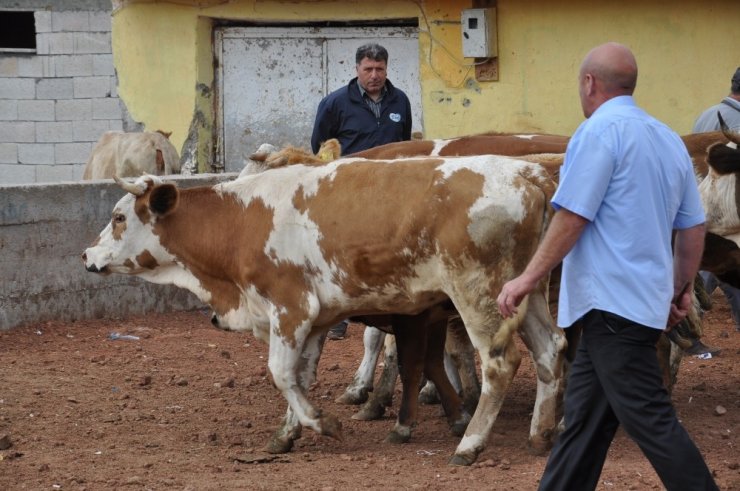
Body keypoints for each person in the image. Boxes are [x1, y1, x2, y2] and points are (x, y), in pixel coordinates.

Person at [497, 42, 717, 490]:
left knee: (652, 421)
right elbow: (693, 225)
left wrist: (527, 277)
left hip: (610, 304)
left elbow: (573, 216)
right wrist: (680, 288)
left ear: (589, 83)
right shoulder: (666, 139)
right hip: (637, 305)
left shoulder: (598, 133)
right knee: (583, 425)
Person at [311, 43, 412, 340]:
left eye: (380, 69)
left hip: (391, 193)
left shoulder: (400, 102)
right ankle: (339, 315)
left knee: (388, 251)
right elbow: (320, 148)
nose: (374, 75)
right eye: (368, 69)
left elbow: (404, 144)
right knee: (345, 252)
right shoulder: (335, 103)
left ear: (387, 69)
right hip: (350, 194)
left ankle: (390, 309)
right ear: (357, 69)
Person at [693, 67, 740, 335]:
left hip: (698, 211)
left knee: (704, 269)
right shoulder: (735, 125)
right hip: (725, 215)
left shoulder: (706, 115)